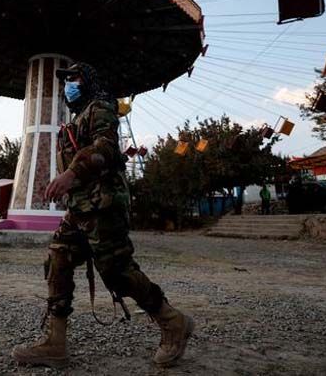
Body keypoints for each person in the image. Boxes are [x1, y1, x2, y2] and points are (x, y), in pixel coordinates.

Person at [12, 62, 194, 369]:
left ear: (88, 81)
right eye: (65, 80)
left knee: (117, 271)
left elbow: (106, 148)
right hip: (80, 208)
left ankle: (173, 322)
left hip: (104, 206)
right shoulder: (74, 120)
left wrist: (71, 173)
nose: (67, 84)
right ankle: (55, 343)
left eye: (73, 78)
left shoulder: (101, 107)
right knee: (58, 258)